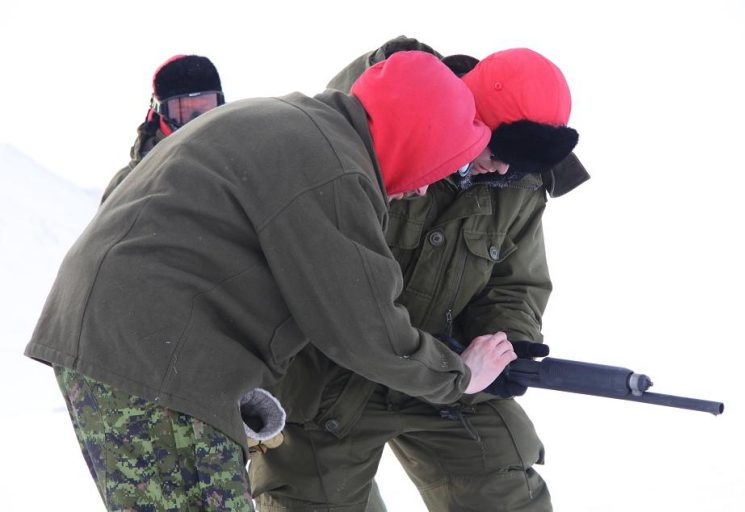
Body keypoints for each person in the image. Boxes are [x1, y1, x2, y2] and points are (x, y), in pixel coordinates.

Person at [24, 52, 517, 511]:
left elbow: (219, 266)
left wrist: (238, 384)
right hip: (153, 364)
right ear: (416, 133)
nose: (428, 185)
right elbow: (363, 328)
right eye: (440, 160)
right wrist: (460, 376)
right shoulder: (334, 172)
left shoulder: (299, 124)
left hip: (140, 347)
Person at [249, 38, 589, 512]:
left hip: (451, 378)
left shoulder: (520, 182)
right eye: (499, 147)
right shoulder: (381, 133)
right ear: (467, 113)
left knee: (506, 489)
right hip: (331, 373)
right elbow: (325, 273)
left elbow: (514, 284)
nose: (507, 168)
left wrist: (505, 342)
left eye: (525, 164)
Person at [101, 54, 225, 202]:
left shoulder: (238, 164)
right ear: (160, 112)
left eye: (206, 108)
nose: (197, 120)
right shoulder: (127, 186)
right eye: (183, 112)